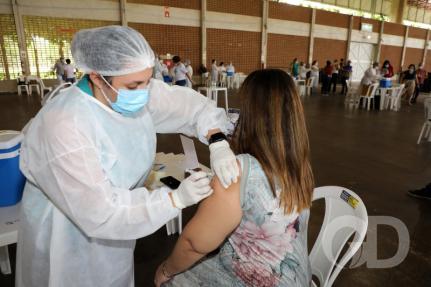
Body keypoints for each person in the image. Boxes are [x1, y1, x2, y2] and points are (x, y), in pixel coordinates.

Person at [15, 25, 239, 287]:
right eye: (135, 84)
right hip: (66, 237)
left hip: (121, 225)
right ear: (97, 77)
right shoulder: (65, 124)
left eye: (147, 80)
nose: (144, 91)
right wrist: (173, 199)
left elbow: (190, 107)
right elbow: (100, 212)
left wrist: (217, 141)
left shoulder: (129, 92)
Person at [154, 69, 314, 287]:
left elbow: (194, 244)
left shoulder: (239, 170)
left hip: (257, 278)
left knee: (172, 280)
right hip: (296, 276)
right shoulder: (298, 164)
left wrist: (165, 270)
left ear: (250, 113)